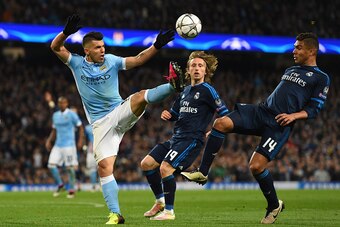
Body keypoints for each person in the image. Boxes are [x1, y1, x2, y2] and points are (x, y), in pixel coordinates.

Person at [181, 32, 330, 224]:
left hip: (279, 124)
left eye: (298, 47)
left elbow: (315, 108)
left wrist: (294, 116)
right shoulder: (291, 69)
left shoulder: (321, 78)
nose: (294, 50)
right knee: (221, 123)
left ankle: (273, 205)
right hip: (262, 111)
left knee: (256, 166)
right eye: (294, 46)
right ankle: (202, 173)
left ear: (312, 50)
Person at [50, 14, 184, 224]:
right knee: (104, 168)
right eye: (97, 48)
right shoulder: (76, 64)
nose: (102, 50)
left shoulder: (112, 61)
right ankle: (115, 214)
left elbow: (138, 59)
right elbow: (56, 48)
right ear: (87, 50)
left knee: (140, 96)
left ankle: (173, 86)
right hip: (100, 125)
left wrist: (156, 45)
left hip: (119, 111)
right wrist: (65, 33)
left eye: (103, 46)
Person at [140, 51, 229, 221]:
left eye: (200, 66)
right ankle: (160, 201)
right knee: (147, 164)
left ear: (205, 71)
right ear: (187, 70)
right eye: (193, 65)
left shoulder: (209, 91)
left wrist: (216, 130)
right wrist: (168, 115)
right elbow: (175, 114)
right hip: (176, 139)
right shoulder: (185, 91)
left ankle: (169, 211)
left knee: (165, 168)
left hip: (192, 140)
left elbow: (225, 114)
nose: (196, 68)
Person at [45, 96, 84, 198]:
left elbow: (80, 127)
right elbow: (54, 130)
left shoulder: (72, 115)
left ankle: (71, 190)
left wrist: (80, 140)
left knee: (70, 168)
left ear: (67, 103)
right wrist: (49, 140)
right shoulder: (55, 115)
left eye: (64, 103)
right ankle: (61, 185)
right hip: (58, 144)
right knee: (51, 165)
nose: (62, 104)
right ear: (58, 104)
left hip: (69, 145)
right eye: (60, 103)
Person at [84, 123, 99, 191]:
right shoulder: (102, 124)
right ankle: (101, 186)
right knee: (102, 168)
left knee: (92, 169)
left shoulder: (87, 127)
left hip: (91, 149)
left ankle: (94, 187)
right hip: (101, 148)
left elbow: (84, 138)